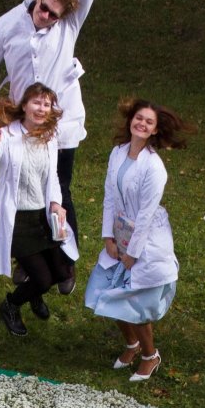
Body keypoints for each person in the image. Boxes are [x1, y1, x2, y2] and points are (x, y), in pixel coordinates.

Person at [0, 0, 94, 294]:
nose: (47, 17)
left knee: (61, 189)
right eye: (44, 9)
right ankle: (25, 258)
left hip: (63, 119)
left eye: (54, 15)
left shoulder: (69, 23)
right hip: (22, 119)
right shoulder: (8, 23)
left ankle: (65, 258)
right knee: (22, 186)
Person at [85, 99, 194, 382]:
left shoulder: (154, 168)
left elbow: (145, 216)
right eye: (139, 118)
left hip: (147, 240)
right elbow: (110, 195)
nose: (142, 124)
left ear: (155, 130)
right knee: (108, 292)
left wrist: (132, 253)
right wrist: (108, 236)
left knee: (136, 301)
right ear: (131, 120)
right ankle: (131, 346)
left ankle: (150, 355)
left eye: (149, 122)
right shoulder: (117, 153)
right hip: (121, 231)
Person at [0, 83, 79, 337]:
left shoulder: (49, 136)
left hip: (43, 216)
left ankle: (34, 293)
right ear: (24, 105)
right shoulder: (7, 135)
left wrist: (56, 202)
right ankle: (11, 305)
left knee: (62, 271)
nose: (41, 108)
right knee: (42, 278)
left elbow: (52, 175)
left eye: (46, 104)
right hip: (17, 219)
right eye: (36, 102)